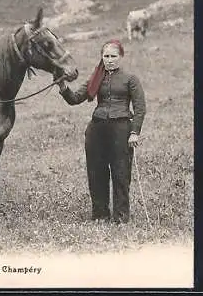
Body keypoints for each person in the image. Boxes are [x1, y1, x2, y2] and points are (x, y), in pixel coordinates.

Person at [57, 39, 146, 224]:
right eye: (106, 56)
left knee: (121, 173)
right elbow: (75, 99)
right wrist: (62, 87)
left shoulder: (131, 79)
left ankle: (121, 217)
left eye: (113, 56)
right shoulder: (96, 78)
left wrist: (134, 132)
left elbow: (140, 108)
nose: (110, 60)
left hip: (121, 129)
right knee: (96, 172)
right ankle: (100, 215)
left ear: (121, 57)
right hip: (96, 130)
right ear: (102, 57)